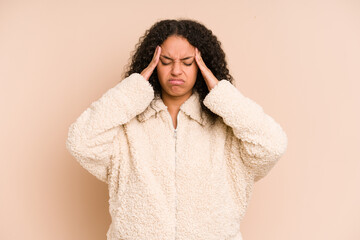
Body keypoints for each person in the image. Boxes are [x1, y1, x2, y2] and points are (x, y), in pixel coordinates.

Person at [66, 19, 288, 240]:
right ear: (153, 63)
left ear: (203, 65)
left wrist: (220, 92)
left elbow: (272, 145)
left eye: (188, 62)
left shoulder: (226, 129)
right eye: (165, 61)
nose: (176, 71)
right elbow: (81, 142)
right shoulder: (128, 128)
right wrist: (133, 90)